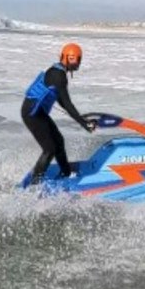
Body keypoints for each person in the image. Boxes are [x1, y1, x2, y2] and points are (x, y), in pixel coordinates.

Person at [20, 42, 94, 187]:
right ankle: (34, 185)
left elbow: (60, 100)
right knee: (50, 149)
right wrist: (83, 123)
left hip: (37, 112)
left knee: (59, 140)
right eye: (77, 59)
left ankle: (66, 173)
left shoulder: (58, 72)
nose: (79, 63)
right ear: (69, 58)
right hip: (32, 114)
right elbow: (67, 103)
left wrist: (80, 118)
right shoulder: (59, 76)